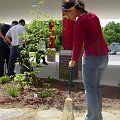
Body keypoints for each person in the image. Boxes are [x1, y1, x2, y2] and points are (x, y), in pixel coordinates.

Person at [62, 0, 109, 120]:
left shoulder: (79, 21)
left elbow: (77, 43)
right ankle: (97, 117)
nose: (66, 17)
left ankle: (92, 118)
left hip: (91, 58)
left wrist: (73, 60)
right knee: (95, 89)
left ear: (73, 10)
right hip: (104, 57)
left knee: (90, 90)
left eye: (66, 13)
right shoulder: (94, 16)